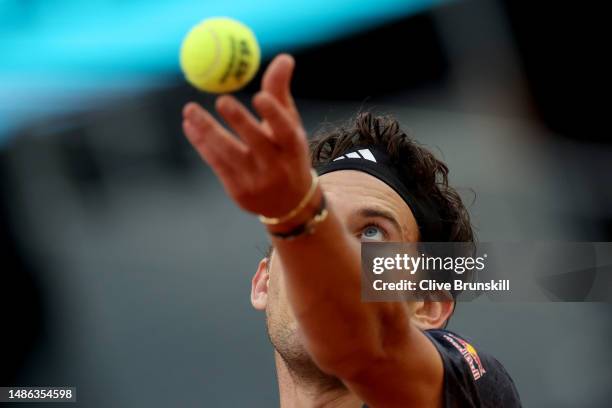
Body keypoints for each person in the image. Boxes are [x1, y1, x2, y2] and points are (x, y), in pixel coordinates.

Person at [182, 54, 521, 407]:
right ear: (263, 284)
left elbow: (364, 348)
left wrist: (294, 215)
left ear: (427, 307)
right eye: (320, 225)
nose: (329, 252)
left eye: (372, 232)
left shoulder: (476, 390)